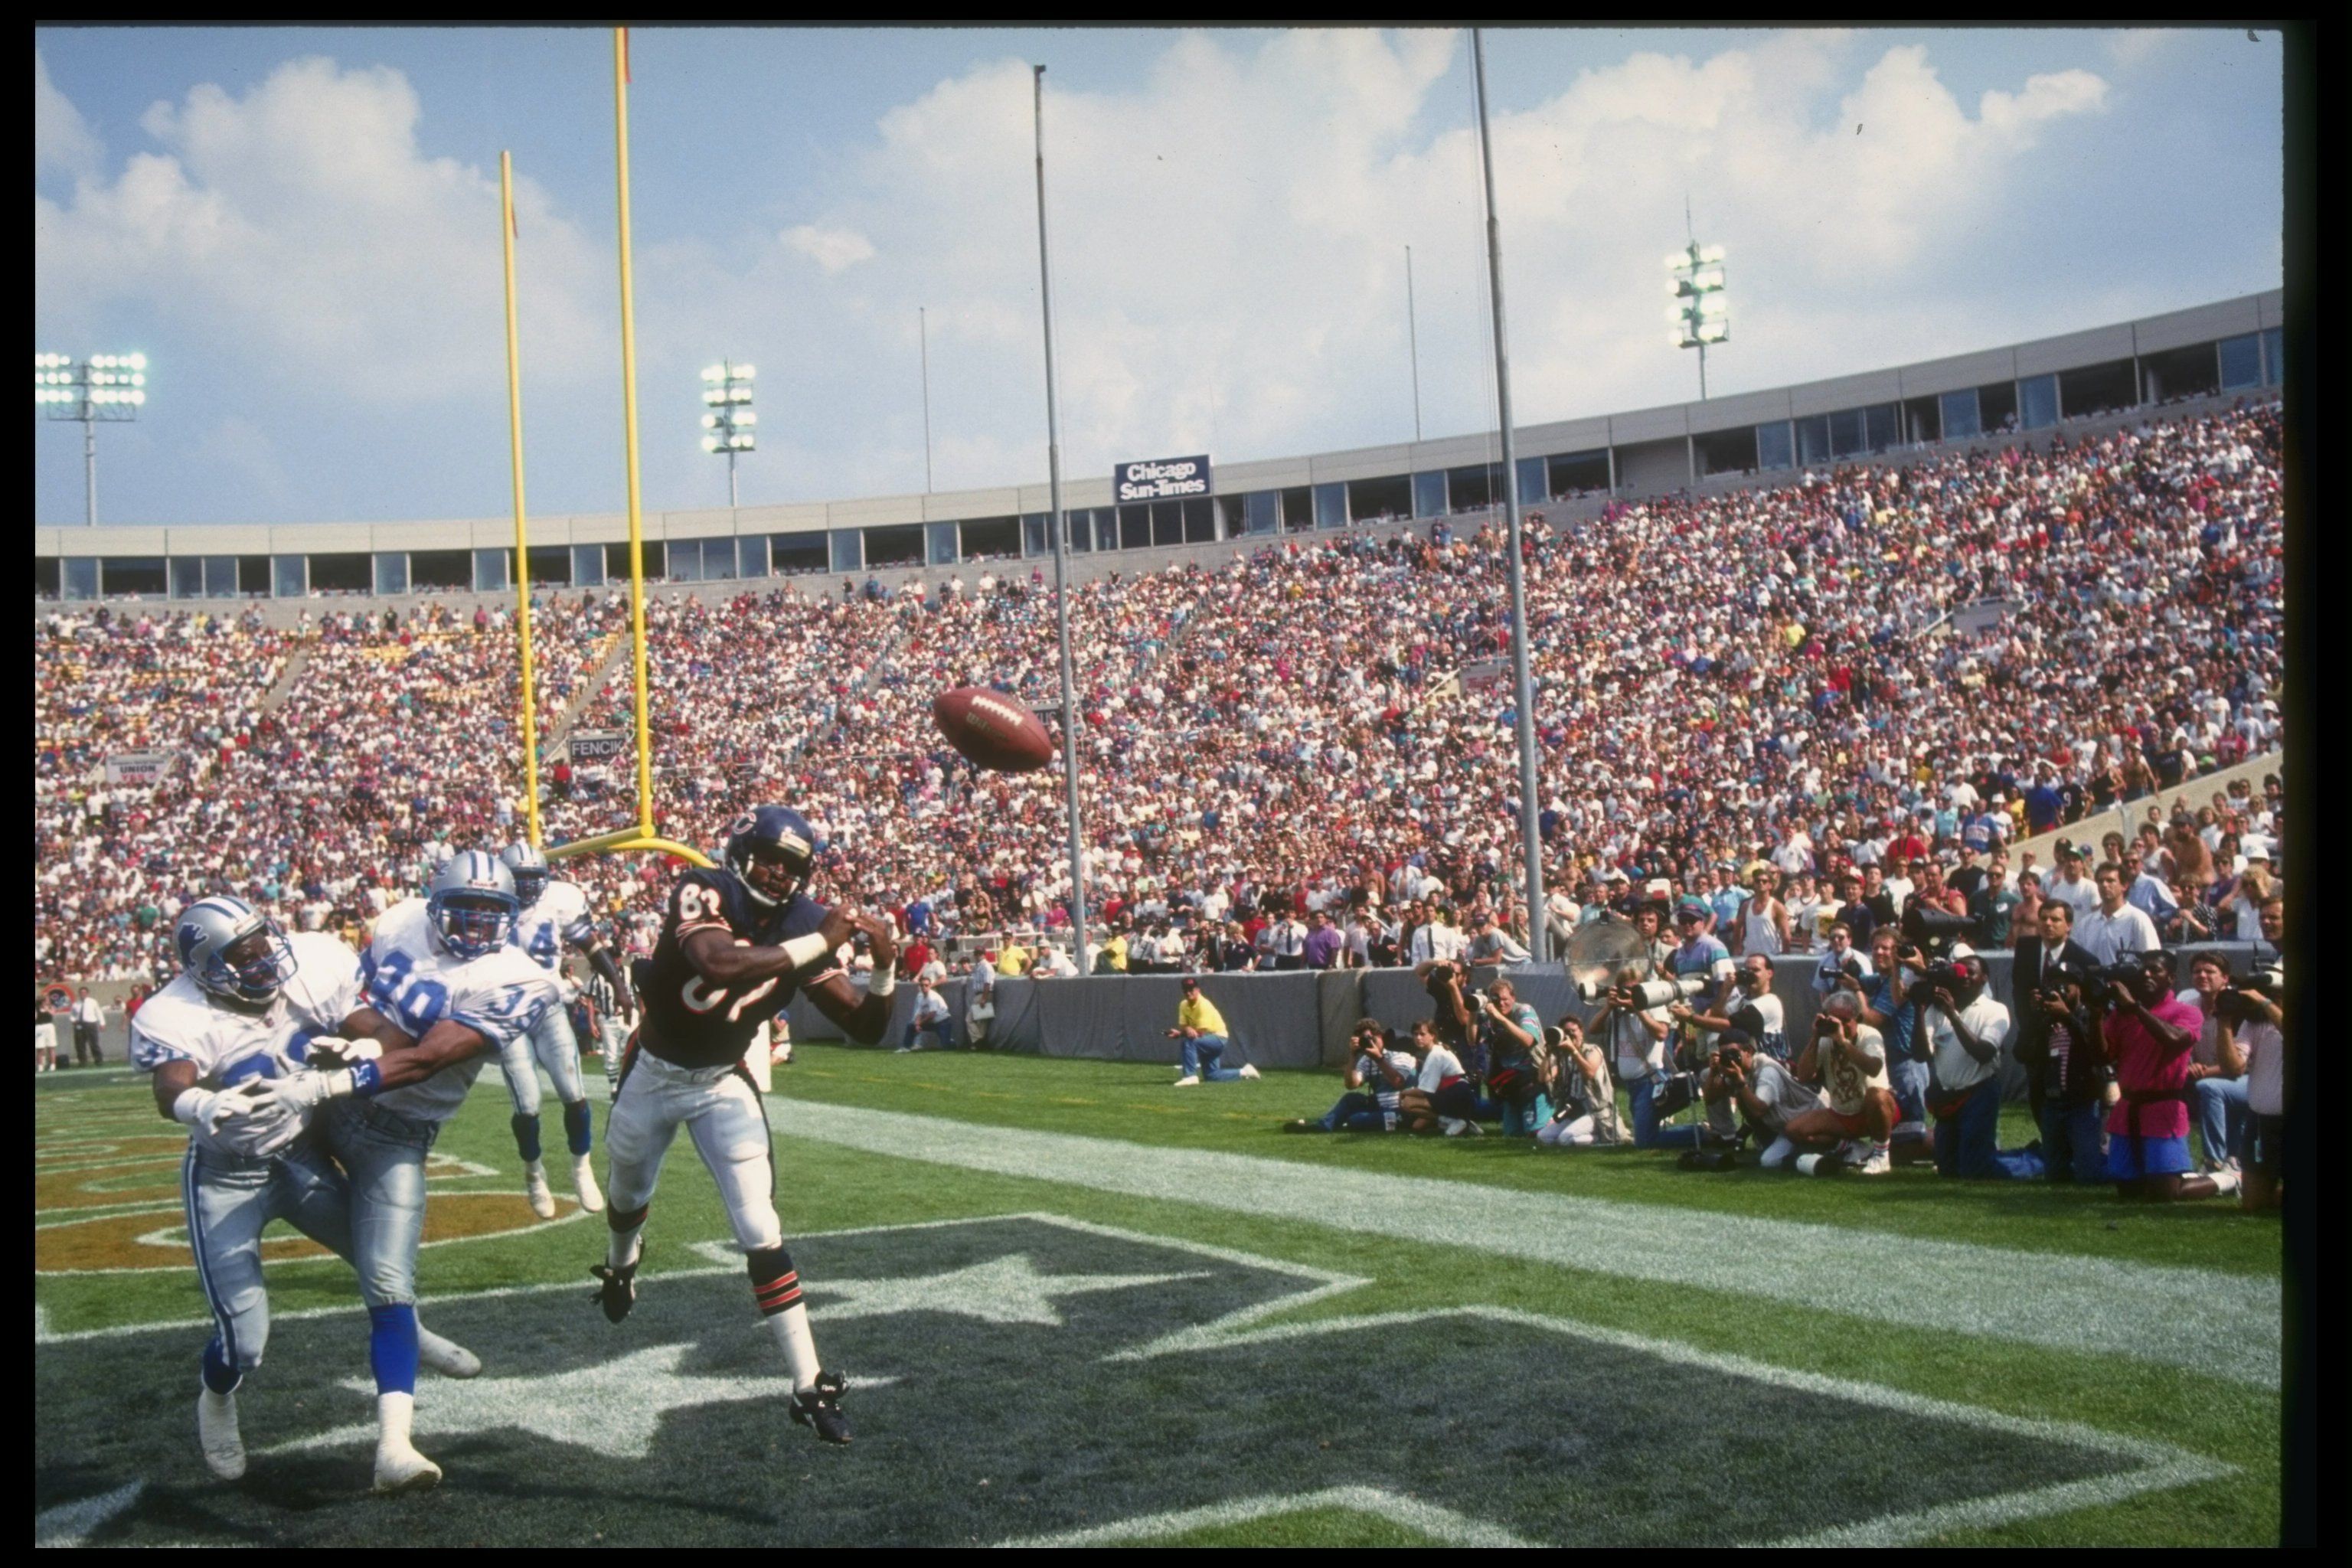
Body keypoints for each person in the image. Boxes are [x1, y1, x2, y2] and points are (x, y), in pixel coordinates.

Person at [134, 895, 484, 1491]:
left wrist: (362, 1052)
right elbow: (171, 1087)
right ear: (205, 968)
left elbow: (383, 1033)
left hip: (299, 1156)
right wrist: (204, 1102)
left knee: (380, 1269)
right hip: (228, 1175)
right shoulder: (173, 1014)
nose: (265, 960)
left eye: (263, 943)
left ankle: (411, 1337)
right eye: (243, 956)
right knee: (246, 1342)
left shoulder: (314, 964)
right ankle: (217, 1399)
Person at [592, 806, 897, 1446]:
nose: (778, 874)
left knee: (761, 1227)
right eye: (769, 858)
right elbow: (719, 965)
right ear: (741, 851)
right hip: (654, 1071)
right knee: (626, 1196)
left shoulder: (806, 922)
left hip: (721, 1082)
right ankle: (621, 1267)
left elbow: (866, 1027)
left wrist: (885, 966)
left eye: (792, 867)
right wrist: (821, 941)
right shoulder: (707, 888)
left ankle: (809, 1385)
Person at [496, 842, 622, 1219]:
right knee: (528, 1105)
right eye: (519, 880)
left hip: (549, 1008)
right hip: (506, 1013)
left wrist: (616, 983)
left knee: (574, 1094)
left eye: (533, 879)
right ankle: (534, 1174)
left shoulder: (559, 900)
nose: (526, 888)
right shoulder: (491, 904)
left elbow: (590, 943)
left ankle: (581, 1168)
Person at [2102, 952, 2238, 1204]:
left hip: (2163, 1108)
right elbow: (2102, 1056)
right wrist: (2093, 1013)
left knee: (2165, 1194)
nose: (2147, 975)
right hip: (2128, 1107)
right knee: (2128, 1191)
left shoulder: (2185, 1012)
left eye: (2155, 971)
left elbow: (2175, 1039)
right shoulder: (2122, 1015)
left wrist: (2135, 1007)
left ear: (2171, 978)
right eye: (2143, 970)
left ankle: (2227, 1179)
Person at [1919, 947, 2034, 1180]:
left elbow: (1983, 1053)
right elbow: (1922, 1054)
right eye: (1960, 972)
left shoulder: (1995, 1010)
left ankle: (2032, 1160)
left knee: (1975, 1170)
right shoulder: (1938, 1008)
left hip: (1979, 1092)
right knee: (1948, 1170)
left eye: (1972, 973)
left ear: (1984, 979)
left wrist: (1953, 1016)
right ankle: (2010, 1156)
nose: (1965, 977)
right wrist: (1919, 1008)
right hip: (1948, 1094)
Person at [1762, 991, 1895, 1174]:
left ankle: (1881, 1155)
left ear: (1857, 1018)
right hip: (1842, 1113)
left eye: (1845, 1020)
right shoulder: (1825, 1041)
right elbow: (1804, 1077)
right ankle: (1849, 1147)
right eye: (1834, 1020)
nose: (1839, 1025)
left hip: (1872, 1111)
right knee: (1794, 1130)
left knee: (1878, 1095)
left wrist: (1842, 1042)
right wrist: (1815, 1037)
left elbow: (1873, 1068)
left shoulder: (1870, 1035)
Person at [2024, 960, 2109, 1184]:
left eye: (2065, 987)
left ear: (2078, 989)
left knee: (2088, 1175)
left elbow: (2096, 1053)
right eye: (2055, 986)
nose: (2060, 992)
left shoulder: (2090, 1016)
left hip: (2083, 1101)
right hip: (2053, 1101)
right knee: (2055, 1175)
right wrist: (2034, 1018)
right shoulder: (2046, 1020)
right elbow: (2022, 1053)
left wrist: (2067, 1017)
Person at [2218, 969, 2284, 1213]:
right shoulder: (2254, 1023)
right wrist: (2223, 1020)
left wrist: (2265, 1002)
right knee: (2254, 1206)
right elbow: (2233, 1067)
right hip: (2261, 1122)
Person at [2180, 953, 2247, 1173]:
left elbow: (2240, 1065)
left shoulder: (2238, 1009)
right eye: (2197, 971)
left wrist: (2205, 1072)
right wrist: (2189, 1064)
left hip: (2245, 1078)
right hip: (2201, 1075)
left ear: (2225, 978)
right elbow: (2182, 1046)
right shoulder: (2189, 1007)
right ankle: (2175, 1162)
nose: (2202, 975)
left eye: (2209, 971)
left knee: (2210, 1088)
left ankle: (2214, 1162)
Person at [1283, 1020, 1413, 1132]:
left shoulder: (1399, 1055)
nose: (1369, 1043)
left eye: (1371, 1039)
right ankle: (1322, 1126)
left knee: (1356, 1120)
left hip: (1401, 1109)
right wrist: (1353, 1055)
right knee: (1351, 1099)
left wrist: (1379, 1059)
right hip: (1380, 1105)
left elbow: (1398, 1082)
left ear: (1380, 1035)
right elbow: (1351, 1085)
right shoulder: (1367, 1059)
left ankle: (1353, 1121)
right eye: (1365, 1040)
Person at [1534, 1019, 1625, 1149]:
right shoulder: (1562, 1056)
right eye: (1566, 1032)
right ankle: (1584, 1135)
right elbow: (1543, 1078)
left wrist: (1573, 1051)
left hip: (1595, 1111)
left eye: (1573, 1031)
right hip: (1574, 1110)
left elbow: (1589, 1073)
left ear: (1581, 1032)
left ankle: (1603, 1137)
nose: (1570, 1035)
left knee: (1564, 1139)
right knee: (1543, 1137)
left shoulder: (1592, 1050)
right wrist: (1549, 1053)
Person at [1473, 978, 1547, 1135]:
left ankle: (1551, 1119)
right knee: (1511, 1134)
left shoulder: (1524, 1011)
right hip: (1509, 1082)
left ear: (1513, 997)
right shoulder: (1489, 1017)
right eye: (1496, 999)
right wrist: (1473, 1012)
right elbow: (1473, 1040)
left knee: (1535, 1133)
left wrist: (1501, 1019)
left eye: (1505, 999)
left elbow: (1528, 1040)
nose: (1501, 1003)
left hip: (1533, 1078)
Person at [1168, 975, 1257, 1086]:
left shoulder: (1203, 1005)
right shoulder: (1183, 1004)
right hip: (1207, 1039)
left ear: (1197, 990)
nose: (1188, 992)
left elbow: (1200, 1033)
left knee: (1189, 1042)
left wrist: (1182, 1033)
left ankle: (1190, 1076)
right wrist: (1186, 1029)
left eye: (1191, 990)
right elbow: (1183, 1026)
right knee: (1212, 1075)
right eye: (1185, 990)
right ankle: (1245, 1072)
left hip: (1218, 1038)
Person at [2076, 864, 2161, 967]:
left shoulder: (2138, 919)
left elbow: (2153, 960)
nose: (2104, 885)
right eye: (2100, 881)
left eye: (2110, 881)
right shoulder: (2086, 924)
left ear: (2124, 885)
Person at [896, 975, 953, 1053]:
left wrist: (920, 1023)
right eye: (922, 985)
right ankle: (906, 1048)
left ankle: (951, 1042)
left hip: (943, 1022)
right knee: (911, 1026)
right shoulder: (920, 996)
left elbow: (932, 1014)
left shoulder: (933, 997)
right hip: (932, 1022)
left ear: (930, 986)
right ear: (919, 986)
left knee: (946, 1047)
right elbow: (919, 1013)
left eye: (926, 985)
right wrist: (916, 1024)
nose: (924, 987)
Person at [74, 986, 106, 1067]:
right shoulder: (76, 1004)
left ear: (87, 993)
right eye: (81, 993)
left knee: (94, 1043)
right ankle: (82, 1061)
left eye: (84, 993)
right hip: (79, 1025)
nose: (83, 994)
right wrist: (73, 1020)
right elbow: (72, 1015)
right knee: (80, 1044)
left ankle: (98, 1060)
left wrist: (102, 1023)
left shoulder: (93, 1002)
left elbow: (98, 1012)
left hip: (91, 1024)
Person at [35, 1007, 58, 1073]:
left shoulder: (51, 1007)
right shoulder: (37, 1008)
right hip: (39, 1027)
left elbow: (53, 1014)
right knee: (40, 1048)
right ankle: (40, 1066)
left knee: (51, 1047)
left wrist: (47, 1009)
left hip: (49, 1027)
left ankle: (53, 1065)